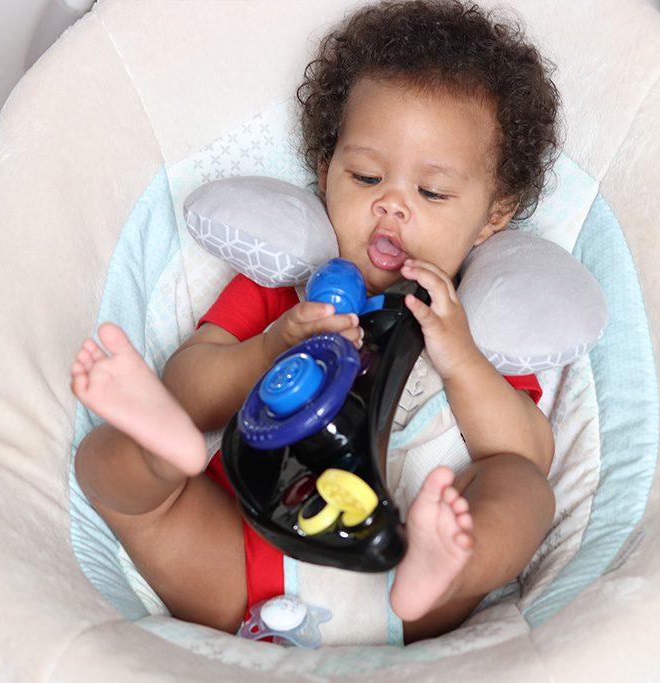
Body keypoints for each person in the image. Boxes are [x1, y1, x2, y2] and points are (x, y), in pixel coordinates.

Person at [71, 0, 561, 643]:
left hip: (406, 576)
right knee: (106, 465)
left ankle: (453, 564)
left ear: (493, 213)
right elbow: (188, 385)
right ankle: (163, 456)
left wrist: (461, 358)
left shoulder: (476, 320)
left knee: (523, 487)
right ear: (326, 173)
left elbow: (529, 451)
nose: (391, 205)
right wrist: (271, 346)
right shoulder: (284, 292)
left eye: (432, 192)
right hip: (245, 561)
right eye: (366, 176)